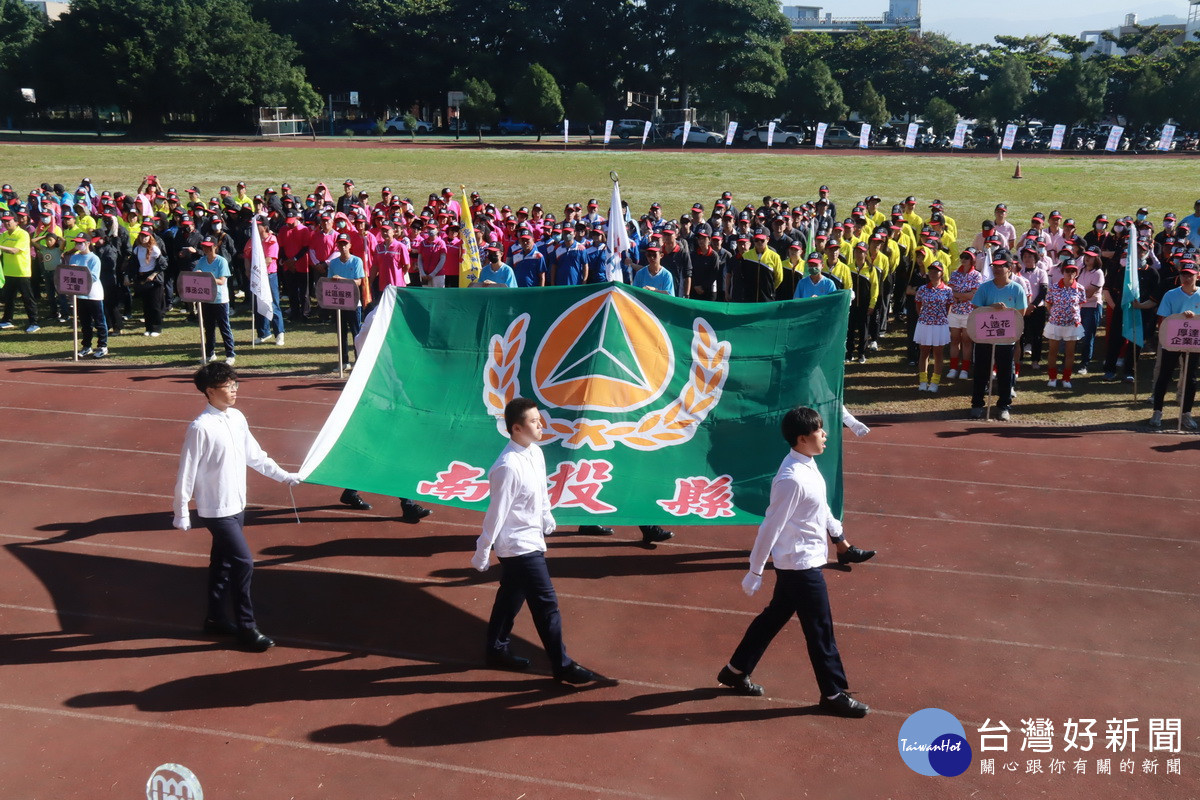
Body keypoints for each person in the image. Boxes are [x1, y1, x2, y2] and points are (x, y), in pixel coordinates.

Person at [717, 406, 869, 718]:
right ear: (801, 438)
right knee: (820, 630)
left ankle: (735, 670)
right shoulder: (791, 479)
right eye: (819, 431)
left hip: (804, 560)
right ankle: (833, 693)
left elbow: (822, 505)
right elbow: (770, 526)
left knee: (774, 617)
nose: (825, 434)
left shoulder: (808, 465)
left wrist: (837, 533)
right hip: (800, 566)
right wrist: (755, 569)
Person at [471, 397, 603, 685]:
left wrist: (547, 516)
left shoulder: (536, 453)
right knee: (547, 605)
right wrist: (483, 550)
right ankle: (562, 665)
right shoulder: (507, 466)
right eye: (533, 421)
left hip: (532, 538)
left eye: (539, 419)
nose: (540, 424)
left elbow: (541, 492)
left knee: (511, 597)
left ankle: (496, 649)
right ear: (516, 428)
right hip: (518, 546)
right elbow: (496, 512)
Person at [173, 362, 302, 652]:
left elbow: (255, 455)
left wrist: (285, 476)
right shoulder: (200, 427)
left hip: (237, 504)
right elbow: (187, 471)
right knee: (243, 561)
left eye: (235, 384)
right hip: (215, 509)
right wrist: (181, 511)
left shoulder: (237, 417)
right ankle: (247, 627)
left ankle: (215, 618)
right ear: (209, 391)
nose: (234, 390)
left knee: (222, 563)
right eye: (228, 386)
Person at [969, 250, 1028, 421]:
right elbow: (975, 310)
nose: (997, 269)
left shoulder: (1017, 289)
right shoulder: (985, 287)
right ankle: (977, 404)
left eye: (1001, 266)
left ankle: (1003, 405)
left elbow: (1020, 313)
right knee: (981, 371)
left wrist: (1005, 312)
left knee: (1005, 373)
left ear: (1010, 268)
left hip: (1005, 339)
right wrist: (991, 308)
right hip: (984, 337)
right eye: (995, 266)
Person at [1150, 262, 1200, 429]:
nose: (1186, 278)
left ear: (1197, 276)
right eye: (1184, 274)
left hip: (1193, 343)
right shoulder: (1170, 295)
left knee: (1190, 378)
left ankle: (1186, 413)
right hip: (1172, 342)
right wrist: (1180, 317)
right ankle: (1157, 411)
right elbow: (1163, 319)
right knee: (1164, 376)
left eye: (1190, 275)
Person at [195, 235, 236, 364]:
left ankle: (230, 354)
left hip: (220, 299)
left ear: (215, 247)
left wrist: (207, 277)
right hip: (206, 299)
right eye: (204, 247)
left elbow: (222, 281)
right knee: (209, 328)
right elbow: (195, 274)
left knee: (224, 327)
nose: (206, 249)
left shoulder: (221, 261)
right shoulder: (201, 260)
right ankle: (210, 353)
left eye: (209, 247)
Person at [1044, 263, 1085, 389]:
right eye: (1068, 271)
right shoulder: (1054, 287)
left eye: (1073, 271)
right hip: (1055, 323)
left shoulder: (1080, 288)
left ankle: (1066, 378)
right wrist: (1056, 314)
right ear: (1063, 272)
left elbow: (1080, 304)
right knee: (1053, 351)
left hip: (1072, 325)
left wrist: (1073, 315)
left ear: (1076, 273)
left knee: (1070, 353)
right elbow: (1048, 303)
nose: (1070, 273)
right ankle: (1052, 377)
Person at [914, 261, 952, 392]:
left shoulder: (948, 291)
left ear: (942, 273)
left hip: (940, 325)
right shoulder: (922, 289)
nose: (933, 273)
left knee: (938, 353)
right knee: (923, 351)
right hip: (924, 324)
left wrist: (938, 318)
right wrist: (925, 317)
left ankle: (935, 382)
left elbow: (948, 307)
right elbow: (918, 305)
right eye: (931, 270)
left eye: (936, 271)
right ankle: (923, 381)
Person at [69, 233, 107, 358]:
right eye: (77, 243)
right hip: (80, 295)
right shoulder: (74, 258)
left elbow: (94, 277)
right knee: (85, 323)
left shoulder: (94, 259)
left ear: (88, 243)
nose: (78, 245)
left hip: (93, 294)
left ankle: (102, 346)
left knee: (99, 322)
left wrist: (78, 271)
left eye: (81, 243)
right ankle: (86, 346)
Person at [0, 211, 38, 332]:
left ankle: (34, 322)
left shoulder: (23, 234)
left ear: (16, 222)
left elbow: (14, 250)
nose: (6, 223)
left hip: (22, 271)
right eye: (4, 221)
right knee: (9, 298)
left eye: (9, 221)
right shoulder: (4, 235)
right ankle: (7, 320)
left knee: (27, 298)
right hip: (9, 271)